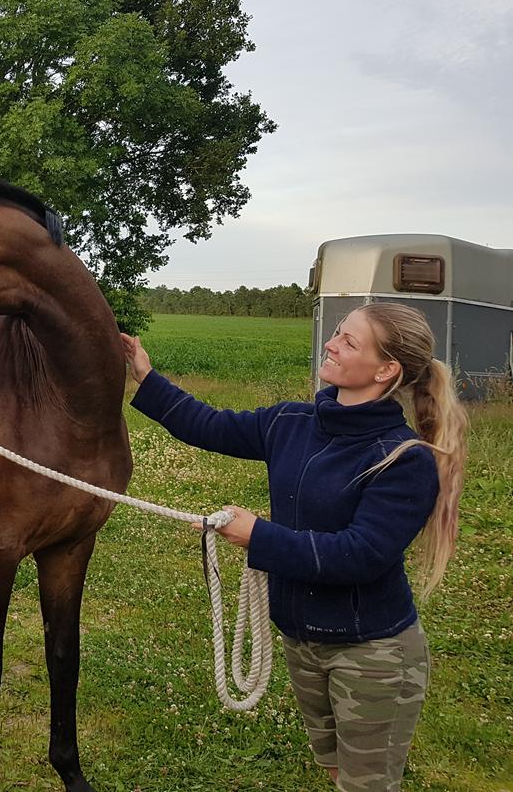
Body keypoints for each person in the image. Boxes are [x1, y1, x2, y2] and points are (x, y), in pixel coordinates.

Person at [119, 303, 467, 792]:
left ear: (386, 370)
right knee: (331, 764)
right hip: (301, 640)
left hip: (371, 653)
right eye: (337, 333)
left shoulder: (403, 458)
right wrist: (146, 376)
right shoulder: (291, 422)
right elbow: (210, 425)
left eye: (350, 342)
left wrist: (259, 537)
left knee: (367, 783)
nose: (331, 343)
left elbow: (361, 554)